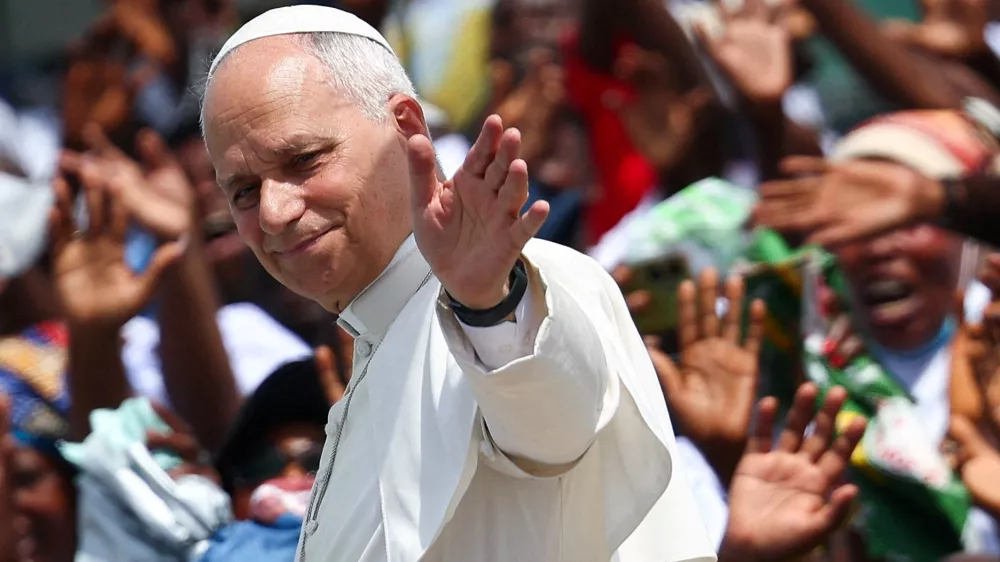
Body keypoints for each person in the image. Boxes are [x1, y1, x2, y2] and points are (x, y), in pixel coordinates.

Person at [199, 5, 714, 562]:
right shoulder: (371, 352)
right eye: (244, 191)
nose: (273, 212)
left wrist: (490, 304)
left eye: (302, 160)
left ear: (406, 128)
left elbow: (557, 423)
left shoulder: (532, 282)